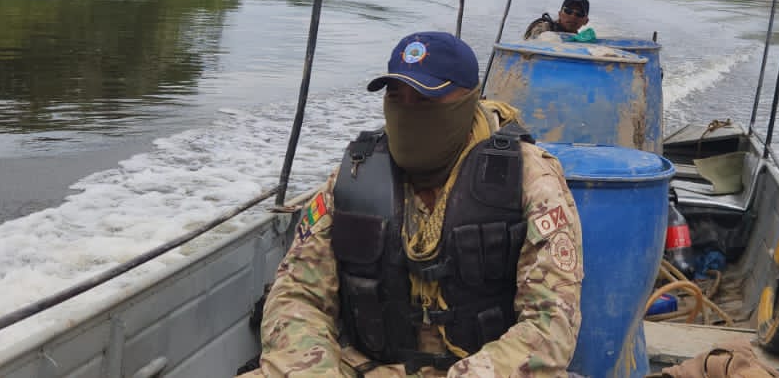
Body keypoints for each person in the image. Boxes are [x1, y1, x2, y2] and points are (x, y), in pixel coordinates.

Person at [248, 31, 584, 378]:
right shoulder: (357, 172)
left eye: (425, 100)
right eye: (396, 97)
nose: (407, 112)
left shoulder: (528, 178)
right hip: (362, 366)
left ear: (468, 100)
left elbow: (552, 323)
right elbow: (297, 294)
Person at [523, 0, 589, 40]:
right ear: (559, 14)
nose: (573, 16)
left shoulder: (583, 39)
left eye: (579, 14)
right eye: (568, 11)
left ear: (586, 21)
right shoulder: (543, 28)